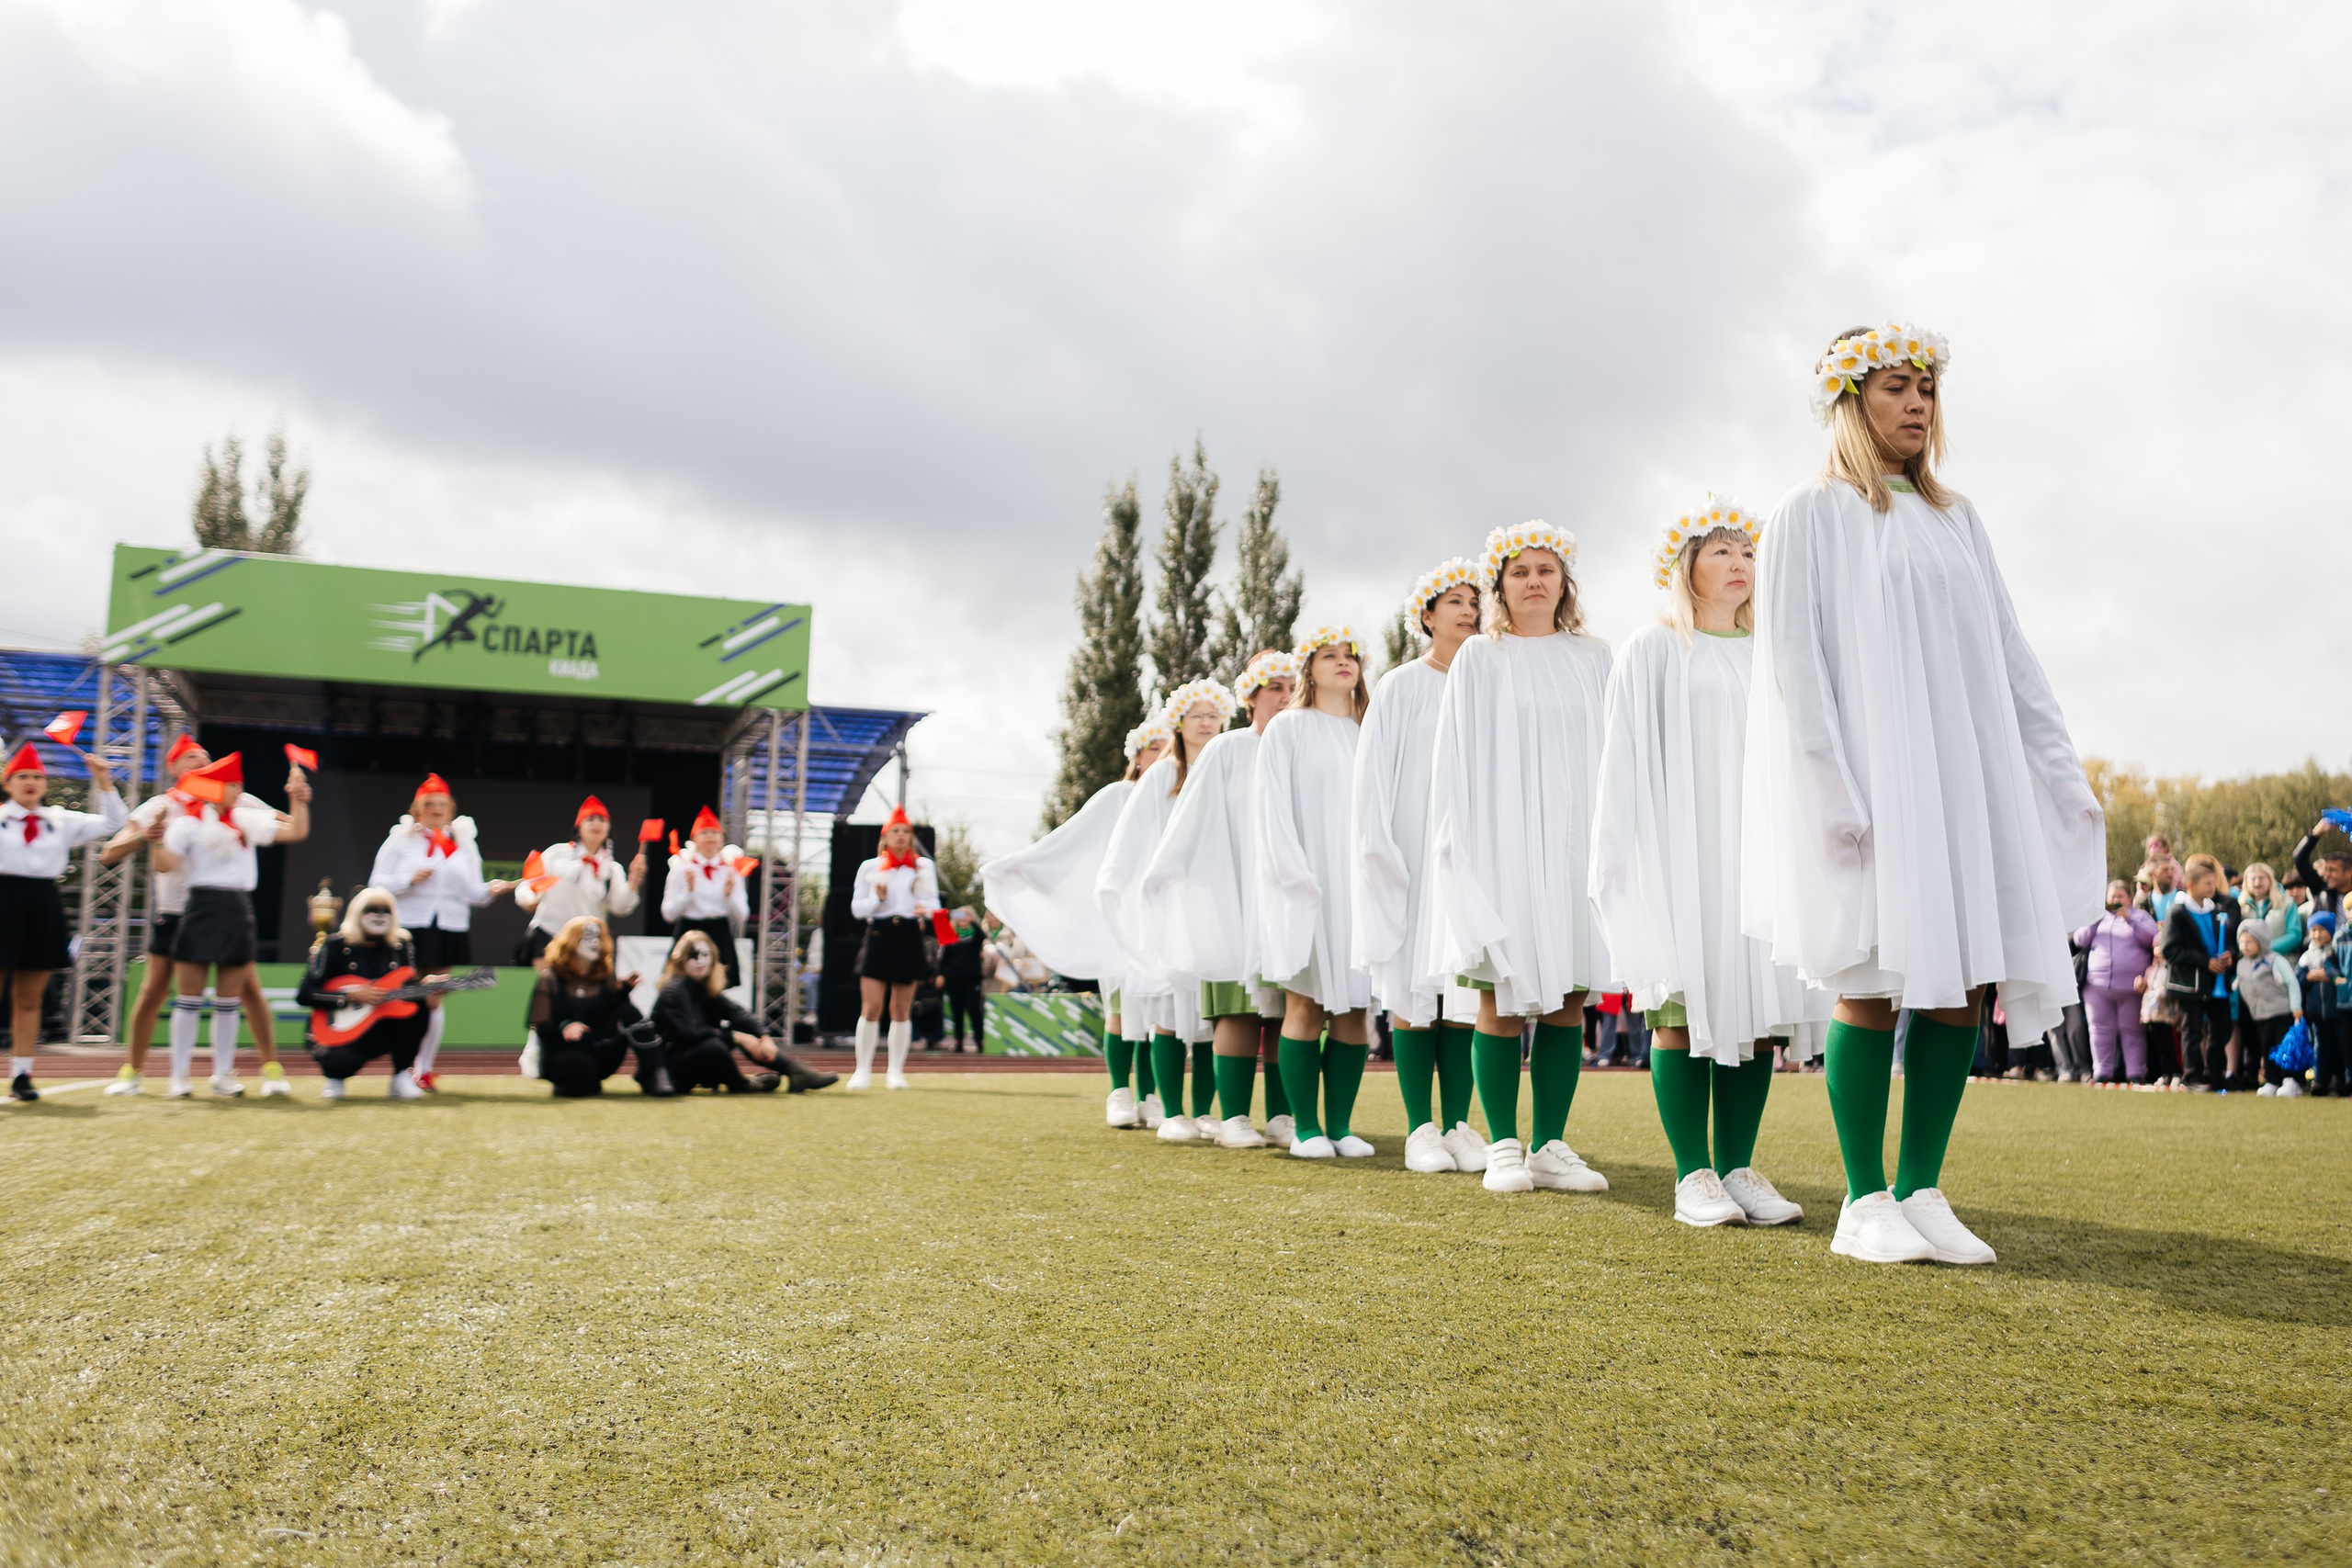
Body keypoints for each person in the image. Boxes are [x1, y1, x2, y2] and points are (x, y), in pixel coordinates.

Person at [1745, 323, 2104, 1265]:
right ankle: (1862, 1198)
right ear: (1850, 400)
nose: (1916, 405)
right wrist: (1828, 785)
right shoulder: (1809, 513)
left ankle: (1921, 1186)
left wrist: (2055, 763)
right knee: (1869, 980)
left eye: (1927, 390)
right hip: (1873, 778)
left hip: (1959, 774)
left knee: (1960, 983)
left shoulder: (1958, 518)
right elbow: (1794, 663)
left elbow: (2009, 651)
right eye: (1896, 388)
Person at [1593, 500, 1819, 1229]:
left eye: (1748, 553)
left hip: (1759, 847)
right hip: (1685, 847)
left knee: (1755, 1014)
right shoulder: (1655, 649)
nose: (1739, 564)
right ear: (1684, 565)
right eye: (1721, 551)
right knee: (1684, 1007)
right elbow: (1625, 756)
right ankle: (1693, 1171)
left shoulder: (1771, 650)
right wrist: (1624, 852)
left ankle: (1737, 1166)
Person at [1426, 520, 1615, 1196]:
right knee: (1502, 998)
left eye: (1546, 569)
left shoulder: (1596, 657)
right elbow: (1456, 759)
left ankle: (1551, 1143)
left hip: (1572, 841)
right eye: (1520, 571)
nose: (1534, 580)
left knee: (1567, 994)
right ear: (1500, 585)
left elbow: (1612, 758)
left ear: (1564, 581)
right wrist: (1461, 849)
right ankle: (1503, 1142)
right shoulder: (1481, 656)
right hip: (1503, 841)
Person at [1352, 561, 1488, 1175]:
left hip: (1469, 854)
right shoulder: (1402, 685)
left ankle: (1458, 1123)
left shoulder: (1490, 679)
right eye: (1453, 601)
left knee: (1462, 993)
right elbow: (1373, 777)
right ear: (1426, 614)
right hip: (1410, 851)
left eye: (1474, 601)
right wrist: (1381, 853)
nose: (1467, 610)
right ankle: (1419, 1127)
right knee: (1414, 990)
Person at [1139, 652, 1301, 1149]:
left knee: (1283, 1011)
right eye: (1273, 687)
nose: (1285, 695)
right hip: (1233, 896)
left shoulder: (1301, 744)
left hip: (1287, 897)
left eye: (1292, 686)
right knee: (1237, 1009)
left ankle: (1282, 1115)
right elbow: (1193, 817)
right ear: (1250, 695)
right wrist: (1165, 873)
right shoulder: (1227, 750)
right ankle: (1232, 1117)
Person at [981, 716, 1166, 1124]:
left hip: (1164, 917)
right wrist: (1017, 867)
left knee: (1160, 1012)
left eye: (1167, 746)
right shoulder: (1118, 796)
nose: (1161, 754)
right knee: (1121, 1007)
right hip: (1122, 918)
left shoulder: (1179, 795)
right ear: (1136, 757)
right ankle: (1120, 1092)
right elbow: (1069, 840)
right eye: (1153, 747)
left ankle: (1152, 1096)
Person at [100, 735, 294, 1096]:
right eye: (191, 758)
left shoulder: (238, 800)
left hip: (222, 911)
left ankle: (271, 1069)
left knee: (249, 988)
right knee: (155, 988)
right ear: (172, 767)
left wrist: (293, 798)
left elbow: (286, 823)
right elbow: (109, 853)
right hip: (176, 912)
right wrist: (147, 836)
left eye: (205, 758)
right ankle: (133, 1072)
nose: (200, 763)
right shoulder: (160, 805)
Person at [1258, 626, 1375, 1160]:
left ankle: (1341, 1124)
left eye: (1350, 655)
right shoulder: (1288, 729)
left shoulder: (1369, 729)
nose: (1343, 663)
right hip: (1306, 883)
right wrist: (1292, 875)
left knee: (1354, 1010)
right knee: (1305, 1004)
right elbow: (1272, 808)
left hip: (1361, 888)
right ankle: (1305, 1126)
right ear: (1309, 669)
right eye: (1330, 656)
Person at [1096, 690, 1224, 1136]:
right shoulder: (1160, 776)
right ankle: (1171, 1112)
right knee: (1168, 1011)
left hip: (1214, 904)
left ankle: (1206, 1111)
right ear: (1179, 722)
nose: (1206, 723)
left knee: (1212, 1015)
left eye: (1213, 715)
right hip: (1167, 906)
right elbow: (1130, 839)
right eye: (1196, 715)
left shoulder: (1225, 768)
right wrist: (1118, 885)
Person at [160, 752, 311, 1100]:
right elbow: (165, 864)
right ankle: (178, 1075)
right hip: (198, 907)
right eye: (230, 784)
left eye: (239, 784)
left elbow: (297, 831)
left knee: (229, 1002)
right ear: (212, 788)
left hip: (237, 908)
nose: (237, 790)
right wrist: (154, 840)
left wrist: (297, 799)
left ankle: (222, 1074)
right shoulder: (187, 823)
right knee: (188, 1000)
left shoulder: (246, 818)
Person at [0, 739, 128, 1100]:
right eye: (22, 776)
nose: (30, 782)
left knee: (30, 997)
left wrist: (103, 780)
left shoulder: (59, 819)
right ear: (7, 783)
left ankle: (22, 1075)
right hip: (2, 899)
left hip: (43, 902)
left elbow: (115, 822)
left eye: (37, 777)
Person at [370, 774, 514, 1089]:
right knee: (408, 996)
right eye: (430, 804)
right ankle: (400, 1068)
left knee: (434, 998)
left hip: (449, 926)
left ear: (451, 810)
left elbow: (474, 892)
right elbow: (376, 883)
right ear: (418, 809)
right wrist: (408, 879)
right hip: (409, 927)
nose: (436, 810)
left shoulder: (464, 843)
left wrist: (493, 889)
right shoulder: (401, 838)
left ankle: (423, 1069)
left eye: (442, 805)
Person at [299, 886, 430, 1099]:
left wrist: (428, 985)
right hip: (338, 1029)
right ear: (357, 913)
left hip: (382, 1027)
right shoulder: (334, 945)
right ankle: (335, 1078)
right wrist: (350, 996)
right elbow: (305, 994)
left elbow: (408, 986)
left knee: (418, 1003)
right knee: (343, 1062)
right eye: (371, 909)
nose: (379, 915)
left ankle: (401, 1075)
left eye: (385, 910)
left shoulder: (401, 945)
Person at [847, 804, 939, 1090]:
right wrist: (877, 898)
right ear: (884, 837)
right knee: (871, 1006)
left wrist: (925, 908)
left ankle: (895, 1072)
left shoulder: (924, 867)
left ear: (911, 838)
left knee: (901, 1008)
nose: (900, 836)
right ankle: (862, 1071)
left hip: (910, 933)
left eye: (905, 832)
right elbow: (857, 910)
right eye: (894, 831)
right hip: (879, 933)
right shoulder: (869, 867)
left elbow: (935, 904)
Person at [650, 930, 788, 1092]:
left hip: (687, 1058)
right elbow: (690, 1032)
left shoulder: (702, 987)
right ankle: (742, 1085)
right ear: (681, 959)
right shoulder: (675, 990)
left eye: (705, 955)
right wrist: (737, 1038)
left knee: (730, 1034)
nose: (700, 961)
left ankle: (793, 1069)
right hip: (667, 1070)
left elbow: (738, 1013)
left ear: (713, 958)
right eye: (693, 955)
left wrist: (764, 1037)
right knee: (715, 1045)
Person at [529, 916, 653, 1097]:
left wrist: (624, 991)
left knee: (629, 1011)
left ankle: (654, 1072)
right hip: (562, 1052)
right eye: (588, 937)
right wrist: (565, 1026)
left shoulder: (605, 977)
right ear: (571, 941)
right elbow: (541, 1027)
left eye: (598, 937)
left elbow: (613, 1014)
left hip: (598, 1049)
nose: (595, 942)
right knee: (578, 1066)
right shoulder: (549, 978)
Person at [515, 795, 646, 965]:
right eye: (590, 819)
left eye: (602, 820)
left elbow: (620, 907)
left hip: (587, 942)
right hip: (549, 934)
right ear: (578, 827)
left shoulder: (611, 869)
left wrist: (634, 882)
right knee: (544, 988)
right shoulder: (557, 853)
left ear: (609, 828)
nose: (597, 824)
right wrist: (528, 899)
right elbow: (527, 885)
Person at [2159, 853, 2240, 1090]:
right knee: (2191, 1030)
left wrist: (2229, 954)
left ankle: (2215, 1073)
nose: (2212, 888)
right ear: (2191, 885)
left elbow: (2229, 941)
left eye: (2214, 883)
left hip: (2215, 981)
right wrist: (2205, 962)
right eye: (2208, 884)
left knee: (2222, 1028)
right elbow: (2170, 949)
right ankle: (2192, 1075)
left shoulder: (2215, 910)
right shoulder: (2178, 912)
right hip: (2189, 983)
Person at [2074, 881, 2159, 1084]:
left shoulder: (2140, 917)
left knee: (2132, 1031)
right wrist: (2095, 918)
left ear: (2130, 898)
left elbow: (2152, 938)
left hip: (2131, 987)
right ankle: (2102, 1072)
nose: (2116, 900)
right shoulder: (2098, 919)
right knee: (2100, 1029)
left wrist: (2129, 918)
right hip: (2097, 986)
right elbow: (2080, 939)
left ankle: (2135, 1073)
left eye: (2121, 896)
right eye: (2112, 897)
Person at [659, 807, 744, 988]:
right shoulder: (682, 868)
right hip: (689, 932)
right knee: (683, 988)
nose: (710, 837)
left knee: (716, 992)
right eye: (704, 832)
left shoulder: (731, 870)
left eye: (714, 832)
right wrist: (688, 892)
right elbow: (668, 914)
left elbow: (742, 915)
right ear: (694, 838)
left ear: (722, 838)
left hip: (720, 933)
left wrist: (729, 895)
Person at [2234, 923, 2302, 1094]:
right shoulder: (2241, 964)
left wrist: (2296, 1006)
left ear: (2261, 941)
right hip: (2260, 1016)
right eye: (2242, 942)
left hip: (2282, 1012)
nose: (2244, 946)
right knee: (2267, 1048)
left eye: (2249, 942)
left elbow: (2291, 981)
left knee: (2284, 1047)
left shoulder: (2274, 960)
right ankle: (2272, 1080)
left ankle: (2290, 1080)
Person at [2299, 912, 2346, 1096]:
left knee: (2341, 1045)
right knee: (2320, 1047)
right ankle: (2320, 1080)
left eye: (2322, 930)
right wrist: (2310, 976)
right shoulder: (2307, 956)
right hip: (2316, 1012)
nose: (2317, 934)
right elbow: (2298, 978)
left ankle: (2340, 1079)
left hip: (2337, 1009)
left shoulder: (2335, 951)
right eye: (2313, 930)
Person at [936, 908, 988, 1053]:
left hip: (972, 978)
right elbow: (943, 958)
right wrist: (941, 974)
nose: (962, 919)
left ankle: (979, 1040)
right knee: (956, 1011)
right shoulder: (950, 935)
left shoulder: (974, 935)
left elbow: (983, 936)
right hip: (954, 978)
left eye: (965, 916)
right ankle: (958, 1041)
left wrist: (973, 921)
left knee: (974, 1011)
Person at [2237, 862, 2304, 957]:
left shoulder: (2287, 903)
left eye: (2261, 878)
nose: (2257, 882)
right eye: (2253, 879)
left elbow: (2295, 936)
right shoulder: (2240, 907)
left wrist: (2264, 949)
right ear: (2246, 882)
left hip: (2281, 961)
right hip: (2250, 965)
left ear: (2270, 880)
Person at [2291, 820, 2349, 930]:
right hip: (2325, 945)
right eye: (2326, 869)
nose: (2327, 874)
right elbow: (2300, 859)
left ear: (2349, 872)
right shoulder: (2321, 890)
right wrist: (2316, 833)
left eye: (2332, 870)